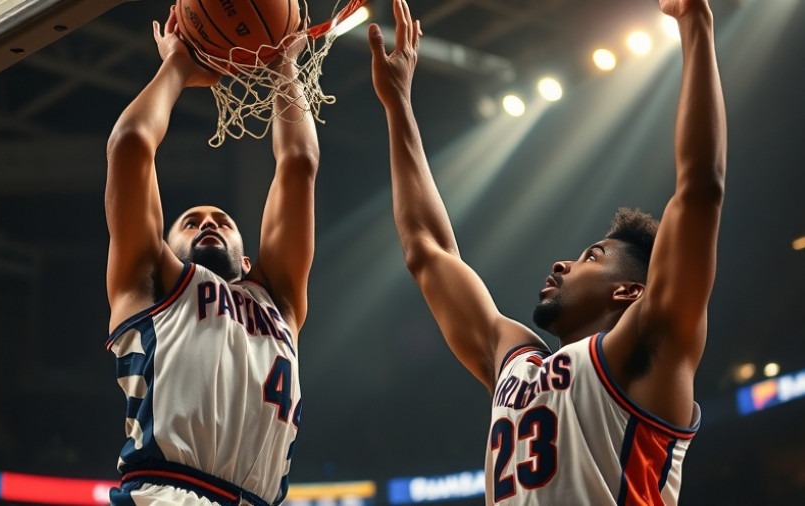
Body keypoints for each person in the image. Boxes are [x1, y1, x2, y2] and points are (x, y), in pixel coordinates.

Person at [369, 0, 726, 504]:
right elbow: (427, 250)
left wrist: (695, 22)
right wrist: (398, 104)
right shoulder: (516, 362)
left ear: (629, 291)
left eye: (592, 257)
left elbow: (699, 190)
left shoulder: (650, 347)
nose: (563, 263)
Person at [103, 6, 318, 505]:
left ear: (248, 261)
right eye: (191, 222)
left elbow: (300, 163)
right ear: (164, 248)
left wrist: (286, 66)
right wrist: (177, 63)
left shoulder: (279, 300)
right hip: (167, 493)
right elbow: (130, 144)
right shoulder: (148, 285)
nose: (207, 224)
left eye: (221, 221)